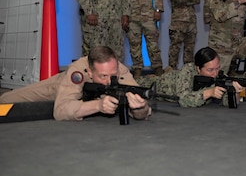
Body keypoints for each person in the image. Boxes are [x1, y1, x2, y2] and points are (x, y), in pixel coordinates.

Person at [0, 46, 151, 121]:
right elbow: (60, 111)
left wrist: (140, 107)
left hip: (86, 96)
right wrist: (98, 106)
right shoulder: (77, 72)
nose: (109, 81)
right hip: (58, 86)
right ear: (90, 73)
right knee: (6, 100)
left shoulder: (121, 71)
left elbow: (143, 112)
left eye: (112, 75)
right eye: (103, 76)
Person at [136, 47, 245, 108]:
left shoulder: (219, 76)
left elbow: (228, 102)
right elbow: (183, 99)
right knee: (134, 85)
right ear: (198, 69)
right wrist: (209, 93)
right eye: (210, 70)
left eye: (217, 68)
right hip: (155, 85)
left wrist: (235, 92)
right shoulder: (188, 71)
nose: (215, 73)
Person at [125, 0, 164, 78]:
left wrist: (158, 9)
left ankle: (157, 68)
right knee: (135, 45)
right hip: (132, 19)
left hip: (148, 18)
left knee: (153, 44)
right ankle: (137, 69)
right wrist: (123, 15)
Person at [167, 0, 200, 69]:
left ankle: (187, 73)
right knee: (175, 50)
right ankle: (172, 73)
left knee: (189, 50)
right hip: (178, 23)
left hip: (191, 22)